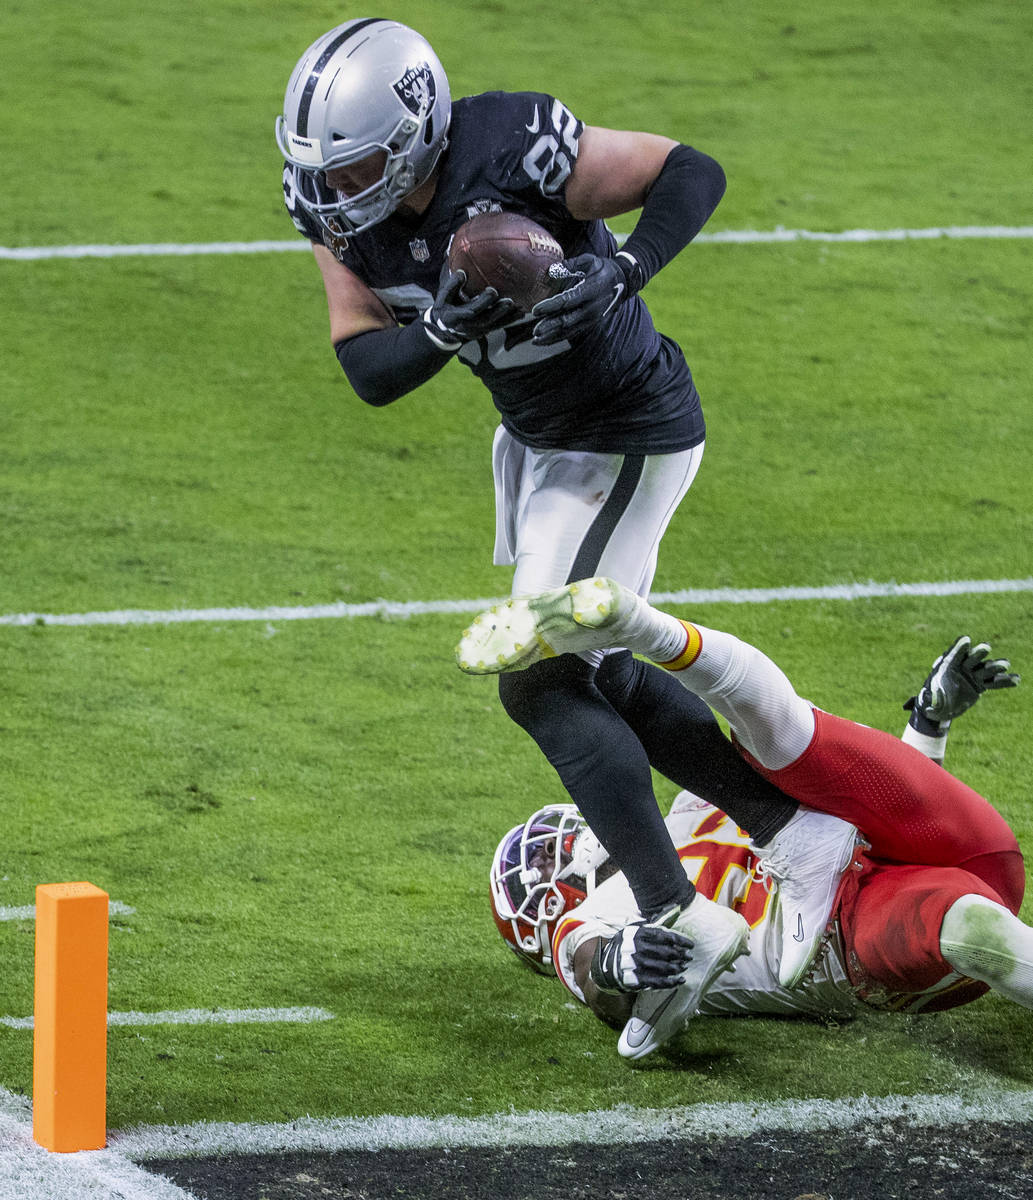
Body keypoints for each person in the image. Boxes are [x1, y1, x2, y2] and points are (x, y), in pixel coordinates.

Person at [276, 18, 843, 1000]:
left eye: (353, 164)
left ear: (414, 130)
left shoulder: (510, 144)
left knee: (537, 680)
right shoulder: (339, 219)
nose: (333, 191)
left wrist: (624, 268)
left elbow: (686, 169)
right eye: (320, 170)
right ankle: (792, 830)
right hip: (543, 442)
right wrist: (446, 324)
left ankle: (678, 920)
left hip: (627, 426)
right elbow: (366, 363)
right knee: (595, 678)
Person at [462, 577, 1028, 1058]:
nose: (558, 845)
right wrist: (616, 963)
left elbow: (881, 804)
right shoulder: (593, 923)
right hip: (842, 940)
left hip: (907, 845)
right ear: (543, 903)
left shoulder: (683, 813)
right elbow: (593, 974)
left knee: (776, 748)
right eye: (539, 858)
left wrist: (927, 727)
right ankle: (635, 636)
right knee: (971, 923)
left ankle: (639, 635)